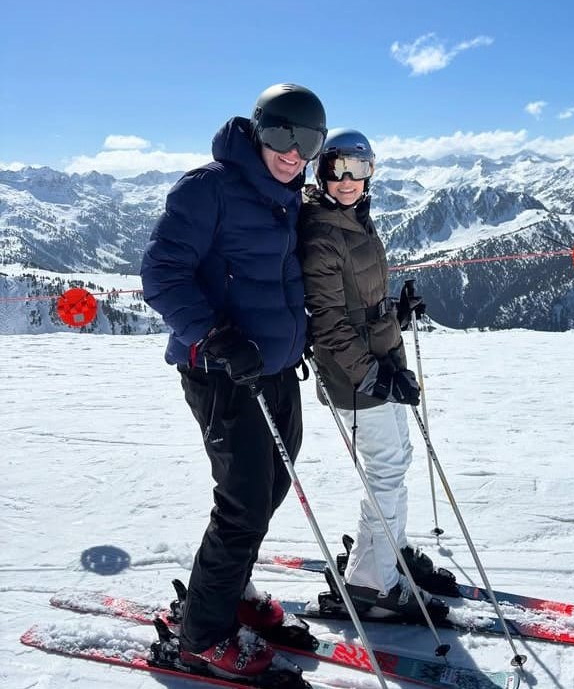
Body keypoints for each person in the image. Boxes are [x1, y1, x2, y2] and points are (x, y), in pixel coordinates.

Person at [140, 83, 327, 679]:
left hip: (275, 367)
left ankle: (231, 589)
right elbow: (161, 273)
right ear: (257, 130)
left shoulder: (290, 197)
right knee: (244, 500)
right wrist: (214, 335)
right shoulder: (208, 188)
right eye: (282, 136)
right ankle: (203, 632)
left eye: (308, 142)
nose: (293, 153)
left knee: (272, 483)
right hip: (220, 371)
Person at [299, 128, 451, 623]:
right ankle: (371, 583)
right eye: (336, 170)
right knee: (385, 471)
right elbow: (328, 322)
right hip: (356, 377)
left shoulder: (352, 220)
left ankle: (391, 551)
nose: (347, 181)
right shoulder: (322, 234)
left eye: (358, 170)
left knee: (397, 462)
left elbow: (357, 302)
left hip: (380, 362)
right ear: (320, 174)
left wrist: (396, 314)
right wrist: (369, 375)